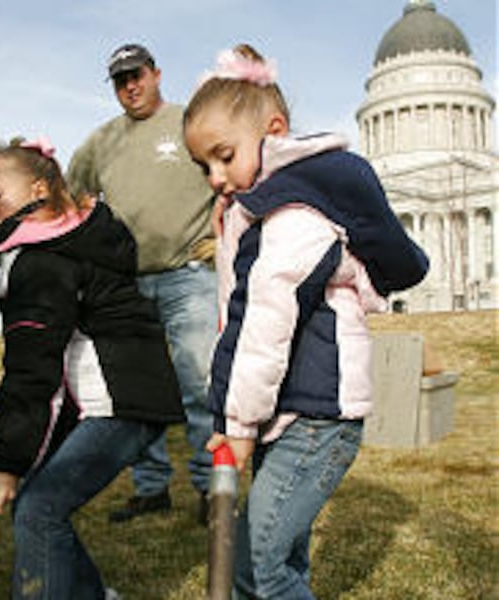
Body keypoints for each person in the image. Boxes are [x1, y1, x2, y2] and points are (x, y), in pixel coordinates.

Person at [182, 44, 429, 599]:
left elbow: (262, 320)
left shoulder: (294, 216)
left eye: (224, 155)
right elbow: (236, 313)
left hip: (316, 418)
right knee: (281, 561)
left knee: (258, 568)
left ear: (274, 130)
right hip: (291, 410)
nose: (216, 177)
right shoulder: (263, 210)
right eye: (204, 166)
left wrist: (237, 423)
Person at [0, 137, 185, 599]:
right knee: (37, 505)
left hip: (121, 406)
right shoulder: (72, 244)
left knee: (39, 509)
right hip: (120, 401)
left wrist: (6, 462)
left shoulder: (40, 263)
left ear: (37, 190)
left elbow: (32, 372)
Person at [67, 43, 217, 525]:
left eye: (137, 75)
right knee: (140, 392)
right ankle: (151, 488)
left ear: (156, 74)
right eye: (119, 80)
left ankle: (212, 489)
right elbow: (75, 195)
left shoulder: (188, 121)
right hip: (128, 284)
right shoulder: (101, 141)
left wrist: (224, 229)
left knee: (198, 383)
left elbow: (231, 169)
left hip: (189, 276)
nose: (130, 86)